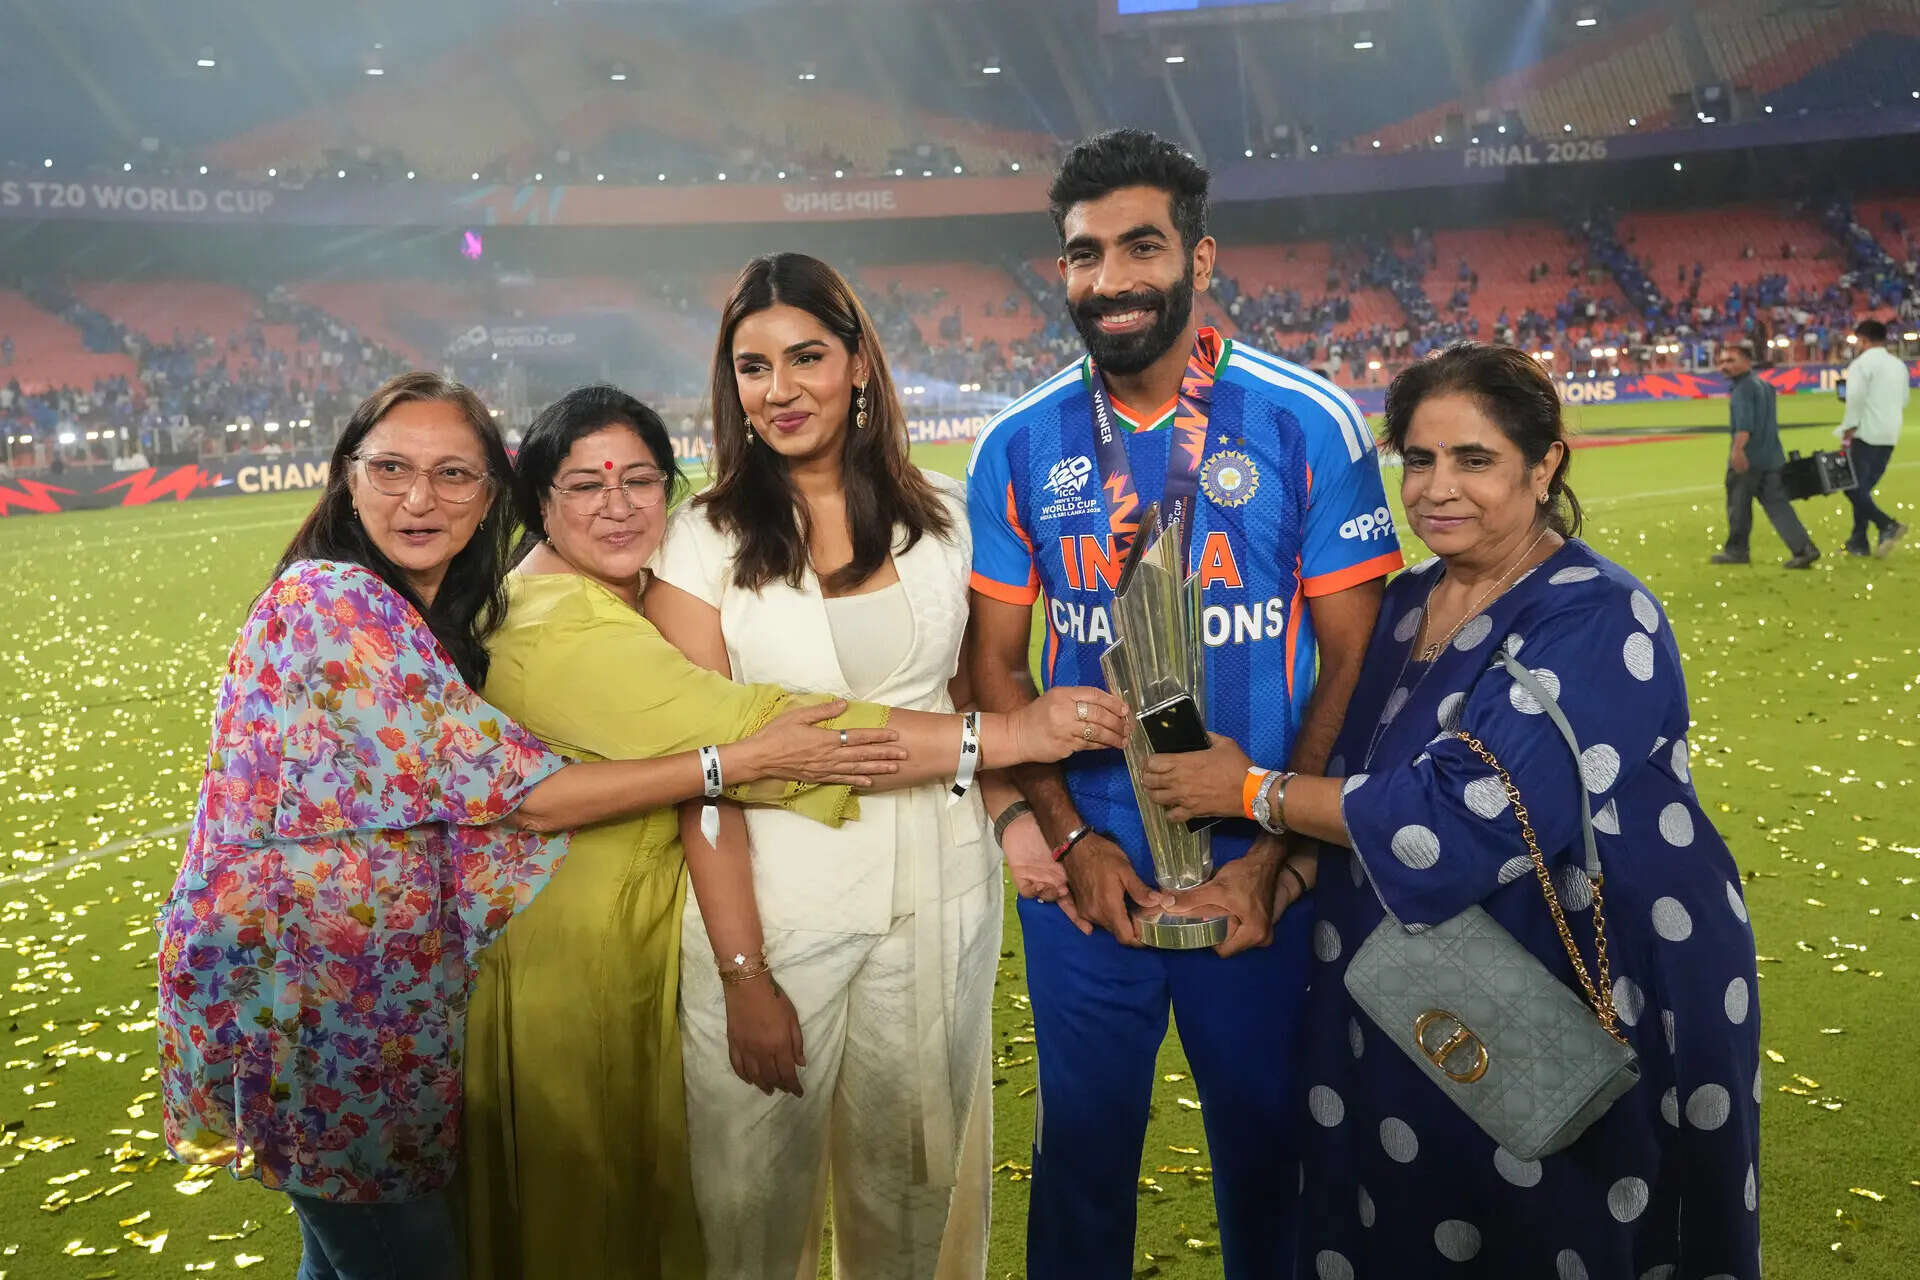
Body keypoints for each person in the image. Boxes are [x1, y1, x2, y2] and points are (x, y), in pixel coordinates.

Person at [157, 373, 909, 1280]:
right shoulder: (334, 602)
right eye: (391, 469)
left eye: (454, 475)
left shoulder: (429, 614)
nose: (421, 498)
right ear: (346, 478)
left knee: (351, 1259)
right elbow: (523, 794)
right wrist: (732, 760)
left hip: (381, 1004)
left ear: (490, 497)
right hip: (317, 1010)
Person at [463, 381, 1121, 1280]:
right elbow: (758, 730)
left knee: (737, 1199)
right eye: (583, 486)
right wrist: (1005, 736)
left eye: (639, 480)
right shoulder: (556, 623)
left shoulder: (614, 595)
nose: (616, 506)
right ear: (538, 499)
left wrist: (1005, 810)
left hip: (666, 928)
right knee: (640, 1213)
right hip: (588, 955)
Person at [1150, 342, 1761, 1276]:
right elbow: (1361, 784)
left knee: (1559, 1228)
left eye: (1474, 460)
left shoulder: (1598, 613)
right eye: (1419, 460)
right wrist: (1278, 880)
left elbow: (1462, 822)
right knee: (1406, 1221)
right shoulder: (1404, 604)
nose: (1438, 488)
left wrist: (1249, 794)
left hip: (1577, 990)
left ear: (1544, 461)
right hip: (1414, 998)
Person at [964, 129, 1401, 1278]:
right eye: (1083, 254)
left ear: (1201, 257)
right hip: (1089, 873)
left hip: (1259, 866)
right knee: (1083, 1159)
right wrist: (1068, 836)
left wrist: (1273, 851)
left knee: (1274, 1155)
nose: (1109, 280)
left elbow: (1358, 658)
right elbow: (995, 669)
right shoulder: (1017, 444)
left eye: (1140, 245)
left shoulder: (1309, 422)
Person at [1709, 339, 1819, 569]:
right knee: (1778, 506)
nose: (1723, 366)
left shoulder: (1743, 389)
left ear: (1747, 361)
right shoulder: (1764, 385)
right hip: (1771, 457)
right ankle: (1804, 549)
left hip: (1749, 459)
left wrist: (1738, 451)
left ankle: (1737, 551)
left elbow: (1745, 425)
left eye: (1730, 360)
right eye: (1722, 361)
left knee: (1738, 506)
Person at [1837, 319, 1909, 556]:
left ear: (1864, 340)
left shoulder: (1861, 365)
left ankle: (1886, 524)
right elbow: (1904, 400)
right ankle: (1858, 541)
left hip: (1865, 433)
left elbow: (1855, 400)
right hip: (1890, 433)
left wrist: (1848, 432)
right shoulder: (1898, 365)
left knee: (1851, 486)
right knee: (1863, 487)